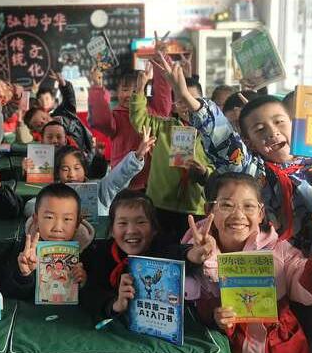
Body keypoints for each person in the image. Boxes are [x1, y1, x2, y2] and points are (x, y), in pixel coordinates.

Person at [161, 62, 312, 255]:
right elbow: (223, 138)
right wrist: (187, 97)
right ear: (250, 142)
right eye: (259, 129)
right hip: (266, 261)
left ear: (295, 125)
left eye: (279, 122)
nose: (272, 132)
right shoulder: (252, 170)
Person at [184, 172, 312, 353]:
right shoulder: (192, 255)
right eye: (226, 205)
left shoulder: (278, 251)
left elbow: (311, 291)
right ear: (210, 210)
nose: (238, 215)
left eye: (249, 206)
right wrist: (214, 316)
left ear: (261, 213)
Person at [80, 190, 204, 320]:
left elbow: (177, 254)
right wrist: (116, 305)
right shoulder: (100, 254)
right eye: (122, 223)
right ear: (112, 230)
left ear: (154, 229)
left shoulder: (161, 250)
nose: (131, 230)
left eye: (140, 222)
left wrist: (193, 254)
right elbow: (92, 292)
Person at [130, 63, 214, 242]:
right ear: (174, 106)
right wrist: (140, 88)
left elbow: (219, 168)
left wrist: (205, 173)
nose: (186, 106)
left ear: (203, 103)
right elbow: (139, 120)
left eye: (191, 99)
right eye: (181, 101)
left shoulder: (211, 134)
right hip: (159, 204)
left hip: (195, 207)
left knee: (190, 248)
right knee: (160, 246)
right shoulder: (163, 127)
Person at [23, 130, 155, 217]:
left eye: (77, 168)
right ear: (58, 172)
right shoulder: (52, 192)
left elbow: (118, 178)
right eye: (65, 169)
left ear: (84, 170)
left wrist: (137, 156)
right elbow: (29, 206)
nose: (71, 174)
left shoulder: (99, 189)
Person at [1, 183, 93, 300]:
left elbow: (97, 296)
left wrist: (84, 282)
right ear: (36, 220)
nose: (57, 228)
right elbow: (9, 294)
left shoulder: (90, 250)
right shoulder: (24, 249)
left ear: (77, 223)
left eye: (67, 219)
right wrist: (24, 275)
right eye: (49, 217)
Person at [88, 63, 172, 191]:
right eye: (125, 89)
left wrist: (160, 61)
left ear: (143, 91)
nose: (129, 95)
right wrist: (97, 86)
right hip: (124, 185)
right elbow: (100, 119)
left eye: (135, 90)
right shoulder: (116, 116)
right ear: (117, 92)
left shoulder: (153, 111)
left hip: (154, 185)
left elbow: (163, 94)